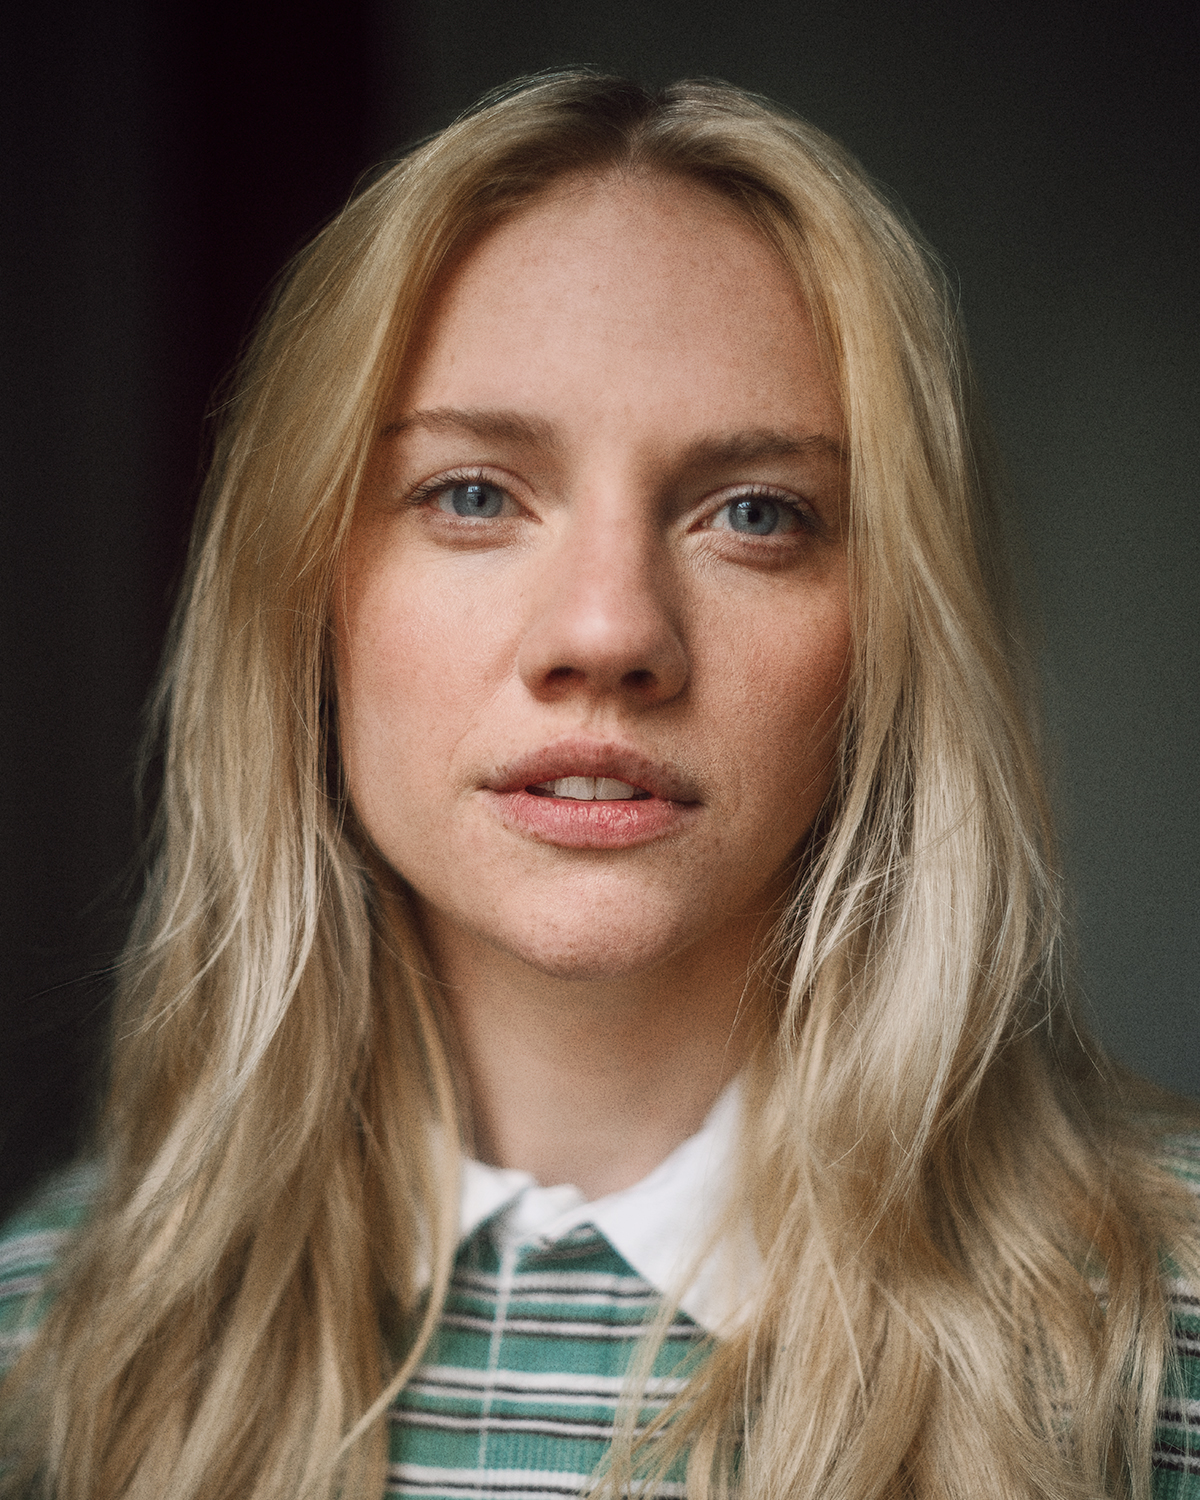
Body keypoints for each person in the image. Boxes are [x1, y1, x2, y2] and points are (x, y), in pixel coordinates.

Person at [1, 70, 1197, 1500]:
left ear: (891, 635)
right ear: (306, 596)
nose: (609, 634)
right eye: (472, 494)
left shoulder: (1152, 1344)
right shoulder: (54, 1341)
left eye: (755, 514)